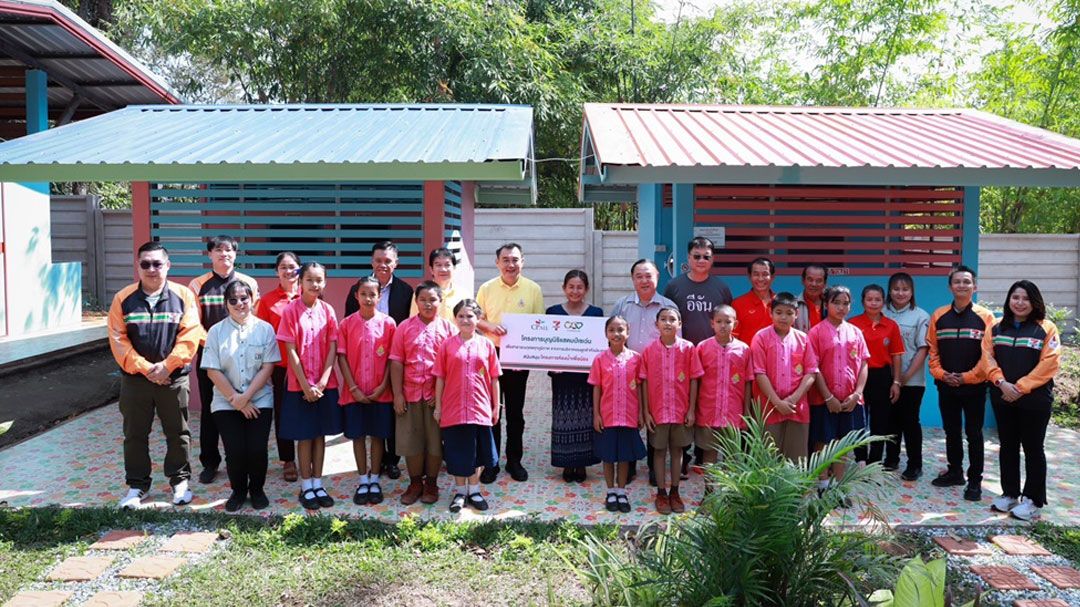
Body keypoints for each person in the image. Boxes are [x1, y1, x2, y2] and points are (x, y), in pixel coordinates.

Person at [110, 242, 203, 509]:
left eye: (157, 264)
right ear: (138, 266)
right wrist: (147, 369)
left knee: (178, 433)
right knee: (135, 434)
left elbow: (190, 334)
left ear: (168, 266)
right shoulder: (123, 299)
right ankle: (137, 485)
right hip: (136, 382)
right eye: (145, 264)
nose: (152, 269)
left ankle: (180, 482)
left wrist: (167, 366)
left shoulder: (183, 295)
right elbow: (118, 340)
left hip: (173, 379)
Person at [201, 280, 279, 512]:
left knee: (256, 448)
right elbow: (212, 369)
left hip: (260, 399)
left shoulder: (265, 329)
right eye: (233, 300)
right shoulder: (215, 332)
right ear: (226, 304)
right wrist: (236, 399)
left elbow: (268, 367)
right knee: (234, 449)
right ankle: (237, 491)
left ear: (252, 299)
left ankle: (257, 489)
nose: (239, 304)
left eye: (244, 298)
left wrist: (246, 398)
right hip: (226, 401)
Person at [985, 280, 1060, 521]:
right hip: (1003, 396)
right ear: (1008, 300)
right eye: (1015, 297)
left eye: (1025, 298)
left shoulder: (1046, 328)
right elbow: (987, 357)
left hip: (1034, 400)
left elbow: (1049, 363)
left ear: (1035, 301)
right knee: (1007, 446)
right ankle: (1009, 494)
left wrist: (1020, 387)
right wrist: (1001, 383)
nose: (1020, 303)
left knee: (1033, 448)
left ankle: (1033, 500)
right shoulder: (996, 327)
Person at [188, 235, 260, 484]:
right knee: (211, 412)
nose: (224, 254)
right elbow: (193, 325)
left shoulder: (248, 282)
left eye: (229, 250)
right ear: (209, 254)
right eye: (218, 250)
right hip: (210, 361)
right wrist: (216, 348)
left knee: (243, 406)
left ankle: (240, 459)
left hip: (244, 360)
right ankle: (210, 462)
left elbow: (255, 322)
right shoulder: (197, 285)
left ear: (235, 254)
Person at [476, 242, 545, 483]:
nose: (510, 264)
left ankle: (514, 461)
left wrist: (527, 354)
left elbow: (539, 325)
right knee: (492, 411)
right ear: (497, 263)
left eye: (515, 260)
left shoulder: (533, 289)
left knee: (515, 413)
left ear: (522, 262)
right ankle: (491, 462)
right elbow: (476, 320)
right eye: (505, 260)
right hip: (491, 355)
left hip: (519, 360)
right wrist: (489, 326)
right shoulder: (486, 288)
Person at [276, 262, 341, 510]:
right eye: (310, 280)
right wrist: (304, 385)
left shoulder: (328, 311)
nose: (315, 285)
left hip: (325, 384)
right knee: (305, 436)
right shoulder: (291, 311)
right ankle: (306, 485)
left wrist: (323, 381)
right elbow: (290, 351)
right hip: (298, 386)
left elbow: (333, 346)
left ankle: (318, 482)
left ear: (325, 282)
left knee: (320, 435)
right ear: (300, 282)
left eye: (319, 280)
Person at [927, 265, 995, 502]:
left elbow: (988, 355)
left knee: (974, 433)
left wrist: (966, 377)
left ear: (974, 286)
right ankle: (955, 471)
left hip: (975, 386)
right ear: (950, 286)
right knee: (951, 431)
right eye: (957, 282)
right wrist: (942, 374)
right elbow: (933, 351)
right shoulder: (939, 315)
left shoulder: (986, 317)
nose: (962, 286)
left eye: (967, 282)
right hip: (946, 384)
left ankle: (975, 480)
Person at [345, 240, 412, 480]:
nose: (383, 265)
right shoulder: (358, 289)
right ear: (372, 262)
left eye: (388, 261)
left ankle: (391, 461)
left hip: (392, 362)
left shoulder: (406, 291)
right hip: (362, 366)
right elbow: (348, 328)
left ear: (396, 263)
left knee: (391, 414)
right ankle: (370, 469)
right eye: (378, 260)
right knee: (366, 426)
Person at [610, 258, 677, 485]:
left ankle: (653, 466)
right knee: (627, 416)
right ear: (632, 280)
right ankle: (627, 465)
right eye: (639, 276)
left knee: (654, 417)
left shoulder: (668, 307)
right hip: (626, 370)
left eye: (649, 275)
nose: (644, 280)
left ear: (657, 277)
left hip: (658, 372)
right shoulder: (621, 305)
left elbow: (677, 341)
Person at [391, 281, 456, 505]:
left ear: (441, 301)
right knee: (412, 442)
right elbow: (397, 362)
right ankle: (415, 482)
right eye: (423, 300)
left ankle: (431, 483)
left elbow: (453, 365)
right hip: (409, 395)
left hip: (435, 399)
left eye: (433, 300)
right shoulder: (404, 327)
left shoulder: (449, 329)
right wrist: (397, 394)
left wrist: (442, 396)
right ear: (416, 302)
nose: (428, 304)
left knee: (435, 443)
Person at [434, 299, 502, 513]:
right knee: (457, 451)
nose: (465, 320)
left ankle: (474, 490)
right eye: (461, 316)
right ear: (455, 319)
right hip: (453, 407)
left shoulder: (487, 345)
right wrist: (438, 406)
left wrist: (496, 405)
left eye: (470, 316)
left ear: (478, 319)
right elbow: (440, 378)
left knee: (477, 452)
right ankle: (460, 492)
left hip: (479, 407)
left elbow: (494, 378)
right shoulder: (447, 345)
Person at [338, 276, 397, 506]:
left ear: (379, 296)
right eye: (364, 294)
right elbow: (341, 356)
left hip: (380, 393)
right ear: (356, 296)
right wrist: (353, 387)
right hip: (354, 393)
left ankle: (375, 479)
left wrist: (383, 386)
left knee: (377, 436)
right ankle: (362, 479)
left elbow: (393, 358)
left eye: (373, 294)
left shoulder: (389, 324)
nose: (368, 298)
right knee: (358, 436)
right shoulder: (346, 324)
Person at [808, 286, 869, 500]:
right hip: (823, 399)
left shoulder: (856, 332)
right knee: (822, 441)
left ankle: (839, 487)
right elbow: (813, 368)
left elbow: (863, 364)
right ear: (826, 304)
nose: (841, 307)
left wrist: (857, 393)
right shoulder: (815, 332)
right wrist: (828, 397)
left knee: (844, 444)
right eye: (836, 303)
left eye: (846, 303)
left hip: (851, 400)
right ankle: (823, 484)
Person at [640, 306, 702, 514]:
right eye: (663, 319)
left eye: (672, 319)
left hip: (680, 410)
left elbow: (694, 379)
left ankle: (675, 491)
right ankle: (661, 492)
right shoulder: (649, 351)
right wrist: (646, 412)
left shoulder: (688, 348)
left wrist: (691, 409)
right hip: (657, 412)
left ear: (680, 324)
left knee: (677, 451)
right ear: (656, 324)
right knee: (658, 451)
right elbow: (644, 382)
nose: (667, 323)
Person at [547, 269, 603, 483]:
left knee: (586, 417)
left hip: (587, 378)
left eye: (580, 287)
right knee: (563, 419)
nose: (575, 291)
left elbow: (600, 345)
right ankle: (566, 463)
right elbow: (546, 344)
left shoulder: (596, 314)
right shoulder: (553, 313)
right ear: (564, 288)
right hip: (562, 377)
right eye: (571, 286)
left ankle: (581, 464)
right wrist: (551, 366)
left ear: (586, 289)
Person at [751, 292, 818, 462]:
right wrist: (777, 402)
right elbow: (759, 372)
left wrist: (793, 399)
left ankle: (795, 490)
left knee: (796, 460)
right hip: (768, 407)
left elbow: (811, 372)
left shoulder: (803, 339)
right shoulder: (760, 338)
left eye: (789, 313)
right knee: (768, 459)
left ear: (796, 315)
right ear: (770, 313)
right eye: (779, 312)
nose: (783, 317)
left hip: (797, 409)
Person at [589, 315, 647, 514]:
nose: (616, 334)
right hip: (608, 415)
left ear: (628, 333)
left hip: (629, 415)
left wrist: (641, 412)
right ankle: (610, 491)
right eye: (612, 330)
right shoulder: (599, 359)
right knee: (608, 456)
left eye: (621, 330)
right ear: (606, 333)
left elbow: (640, 388)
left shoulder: (636, 359)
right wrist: (596, 414)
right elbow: (596, 387)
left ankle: (621, 490)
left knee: (624, 456)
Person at [254, 251, 301, 482]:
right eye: (283, 267)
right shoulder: (268, 301)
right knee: (283, 414)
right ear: (276, 271)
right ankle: (288, 459)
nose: (288, 271)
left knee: (307, 410)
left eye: (292, 266)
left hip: (307, 366)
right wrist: (267, 368)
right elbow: (262, 336)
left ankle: (309, 454)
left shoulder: (311, 295)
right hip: (281, 367)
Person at [694, 305, 752, 491]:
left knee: (731, 455)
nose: (723, 326)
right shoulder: (702, 348)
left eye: (728, 322)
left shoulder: (744, 349)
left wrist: (747, 410)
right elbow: (696, 380)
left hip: (733, 413)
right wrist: (693, 408)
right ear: (712, 323)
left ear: (735, 323)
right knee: (709, 453)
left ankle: (728, 495)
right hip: (708, 411)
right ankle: (709, 493)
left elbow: (748, 381)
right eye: (719, 322)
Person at [883, 272, 931, 481]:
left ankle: (914, 464)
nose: (900, 293)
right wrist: (893, 378)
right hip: (885, 378)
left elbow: (923, 349)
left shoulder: (921, 316)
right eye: (896, 288)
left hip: (912, 380)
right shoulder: (881, 312)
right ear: (889, 291)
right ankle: (891, 459)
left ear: (912, 292)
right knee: (890, 420)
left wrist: (903, 377)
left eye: (905, 289)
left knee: (910, 421)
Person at [849, 284, 904, 465]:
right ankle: (860, 458)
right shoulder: (853, 324)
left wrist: (896, 381)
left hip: (882, 377)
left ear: (883, 301)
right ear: (863, 302)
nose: (873, 303)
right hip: (858, 378)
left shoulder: (891, 325)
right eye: (869, 299)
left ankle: (875, 461)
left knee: (880, 422)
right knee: (859, 419)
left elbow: (896, 356)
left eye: (877, 299)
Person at [662, 236, 734, 345]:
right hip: (681, 350)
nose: (701, 260)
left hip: (713, 350)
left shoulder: (721, 288)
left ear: (712, 259)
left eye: (706, 257)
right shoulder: (673, 286)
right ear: (688, 257)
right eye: (697, 256)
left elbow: (729, 320)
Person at [410, 247, 472, 322]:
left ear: (454, 268)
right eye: (438, 265)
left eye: (447, 265)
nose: (443, 269)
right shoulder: (421, 293)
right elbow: (413, 322)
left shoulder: (464, 294)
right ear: (431, 270)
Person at [731, 257, 776, 343]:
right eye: (756, 274)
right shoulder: (738, 304)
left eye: (765, 274)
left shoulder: (780, 302)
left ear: (772, 277)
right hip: (747, 355)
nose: (760, 279)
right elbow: (733, 339)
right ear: (749, 276)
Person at [795, 264, 828, 333]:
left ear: (825, 283)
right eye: (810, 279)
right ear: (803, 281)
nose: (814, 284)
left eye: (819, 281)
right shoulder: (793, 305)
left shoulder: (830, 305)